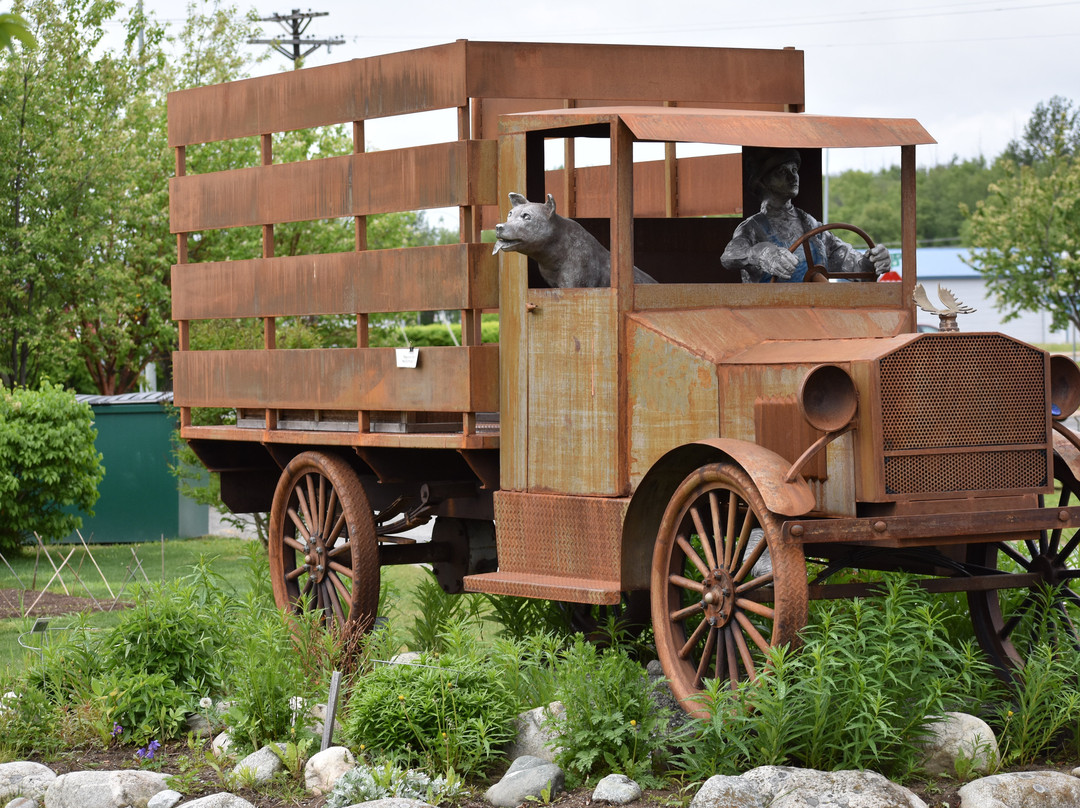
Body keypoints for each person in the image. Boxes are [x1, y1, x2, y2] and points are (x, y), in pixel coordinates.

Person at [721, 148, 891, 283]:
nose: (792, 176)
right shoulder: (752, 228)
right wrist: (761, 253)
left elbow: (853, 265)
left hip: (815, 314)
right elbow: (730, 256)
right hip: (768, 317)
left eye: (794, 169)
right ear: (763, 182)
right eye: (781, 172)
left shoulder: (811, 226)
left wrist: (872, 262)